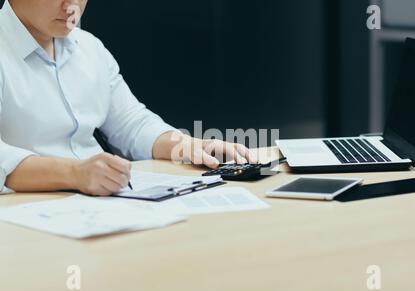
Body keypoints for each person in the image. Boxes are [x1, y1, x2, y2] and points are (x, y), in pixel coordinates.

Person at [0, 0, 255, 196]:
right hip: (25, 212)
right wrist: (75, 174)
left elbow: (132, 124)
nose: (72, 6)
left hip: (100, 204)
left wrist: (188, 146)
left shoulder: (89, 47)